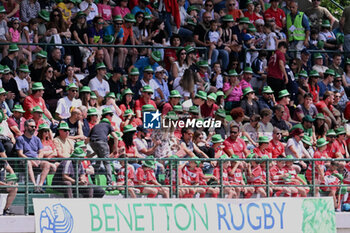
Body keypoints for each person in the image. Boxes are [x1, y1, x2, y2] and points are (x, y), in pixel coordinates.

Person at [15, 119, 50, 193]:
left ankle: (39, 186)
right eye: (31, 126)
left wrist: (38, 160)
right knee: (28, 163)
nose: (34, 128)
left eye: (35, 126)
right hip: (25, 161)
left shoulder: (37, 139)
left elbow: (41, 152)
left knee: (47, 164)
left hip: (36, 160)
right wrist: (30, 160)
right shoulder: (20, 139)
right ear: (26, 127)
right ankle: (34, 186)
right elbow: (20, 154)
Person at [89, 117, 120, 190]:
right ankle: (109, 183)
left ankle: (93, 176)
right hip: (102, 142)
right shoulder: (108, 125)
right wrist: (115, 149)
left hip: (92, 143)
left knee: (99, 158)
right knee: (107, 162)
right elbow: (116, 137)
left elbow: (88, 138)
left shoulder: (95, 126)